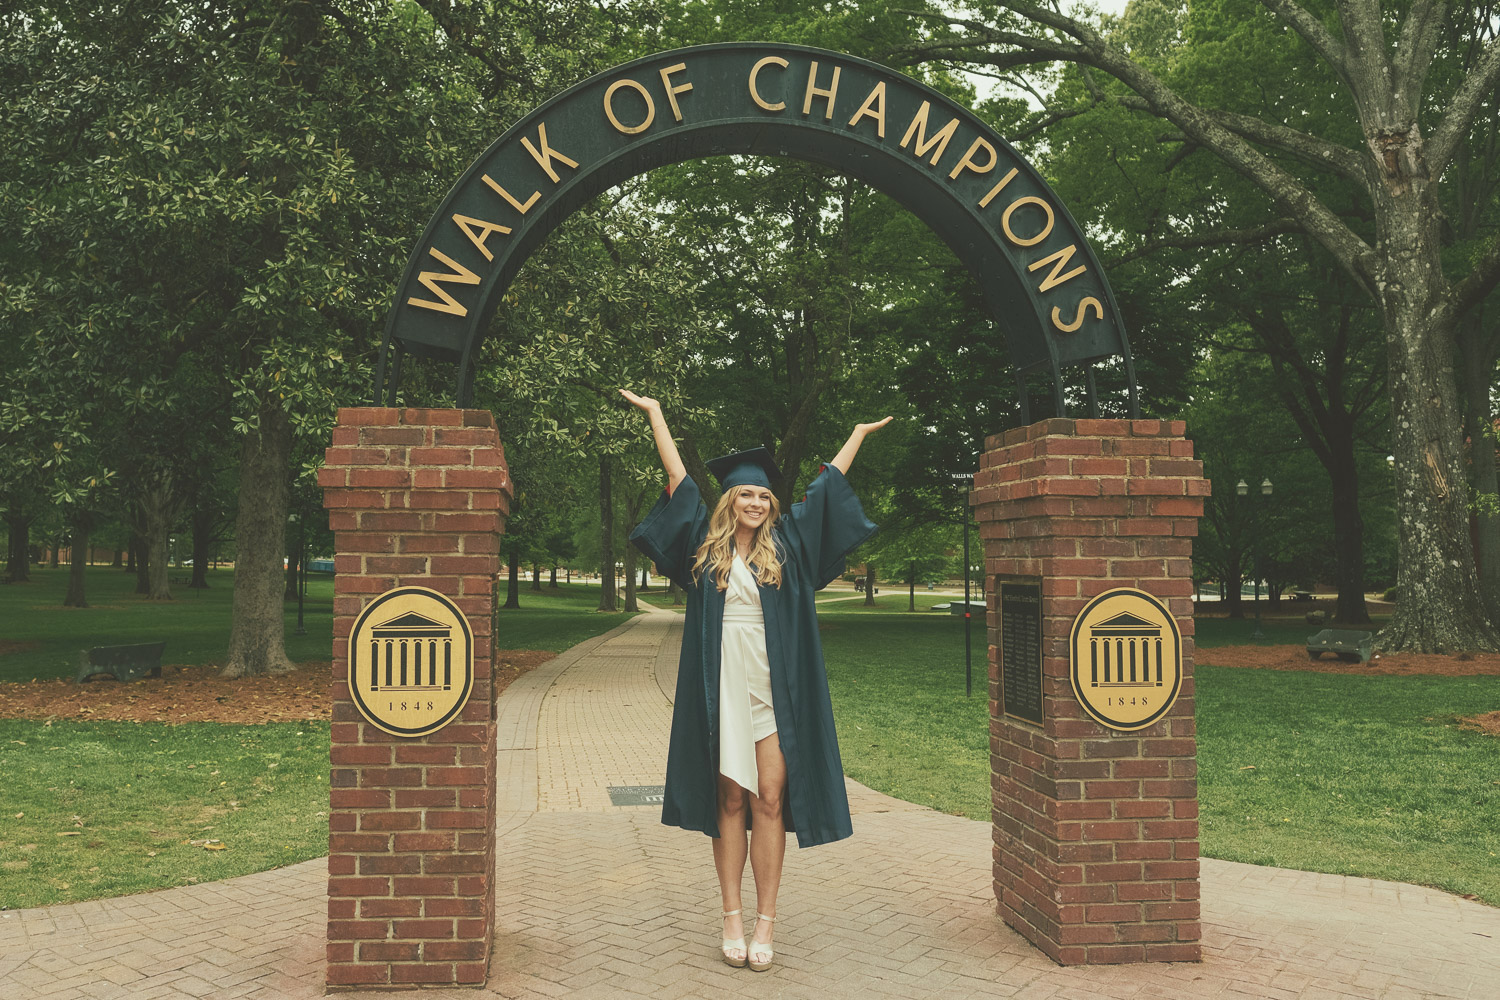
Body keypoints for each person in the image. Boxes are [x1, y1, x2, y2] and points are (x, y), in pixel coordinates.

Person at [621, 388, 890, 972]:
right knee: (730, 797)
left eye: (763, 494)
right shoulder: (702, 548)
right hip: (723, 692)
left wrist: (856, 438)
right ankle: (732, 917)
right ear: (728, 500)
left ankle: (767, 920)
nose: (756, 501)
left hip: (774, 693)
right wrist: (655, 415)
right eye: (745, 493)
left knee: (769, 798)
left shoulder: (787, 547)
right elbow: (679, 481)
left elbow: (822, 497)